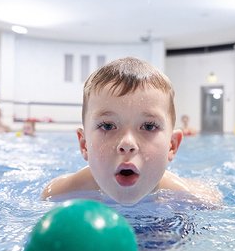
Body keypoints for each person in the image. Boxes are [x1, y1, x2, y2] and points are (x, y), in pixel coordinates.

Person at [41, 57, 221, 206]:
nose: (127, 143)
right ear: (84, 145)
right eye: (108, 126)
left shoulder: (195, 200)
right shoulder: (59, 194)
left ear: (172, 146)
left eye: (149, 126)